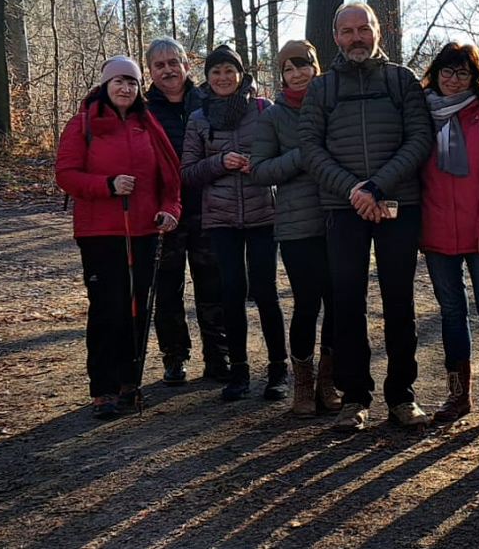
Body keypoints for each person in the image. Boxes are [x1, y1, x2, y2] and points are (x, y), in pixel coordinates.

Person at [300, 3, 433, 432]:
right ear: (335, 37)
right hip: (344, 208)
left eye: (363, 29)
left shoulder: (401, 80)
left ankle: (402, 396)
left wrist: (377, 186)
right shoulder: (321, 88)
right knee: (346, 302)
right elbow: (310, 149)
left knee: (400, 301)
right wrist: (354, 191)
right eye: (347, 31)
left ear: (378, 31)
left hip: (398, 204)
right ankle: (354, 397)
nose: (356, 37)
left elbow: (419, 139)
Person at [55, 55, 181, 419]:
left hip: (144, 231)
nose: (125, 88)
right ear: (105, 86)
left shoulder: (148, 123)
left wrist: (170, 211)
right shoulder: (82, 123)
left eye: (131, 83)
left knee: (137, 309)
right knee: (108, 310)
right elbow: (66, 174)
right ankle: (104, 389)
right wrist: (107, 185)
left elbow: (170, 180)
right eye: (118, 82)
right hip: (100, 233)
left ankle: (130, 381)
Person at [180, 44, 288, 402]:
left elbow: (283, 157)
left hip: (263, 214)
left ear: (241, 75)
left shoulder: (264, 109)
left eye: (230, 70)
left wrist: (258, 165)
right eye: (216, 72)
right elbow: (187, 172)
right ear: (207, 78)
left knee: (266, 291)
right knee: (231, 292)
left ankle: (278, 370)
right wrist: (219, 162)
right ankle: (239, 372)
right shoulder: (198, 118)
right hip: (220, 219)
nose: (223, 77)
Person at [419, 43, 479, 426]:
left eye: (462, 72)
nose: (454, 79)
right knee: (451, 313)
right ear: (436, 74)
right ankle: (458, 394)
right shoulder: (421, 116)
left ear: (475, 77)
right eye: (447, 71)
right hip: (436, 230)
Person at [251, 40, 341, 418]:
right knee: (307, 302)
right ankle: (302, 383)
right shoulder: (272, 117)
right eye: (288, 69)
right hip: (296, 224)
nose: (296, 74)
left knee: (338, 302)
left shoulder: (333, 106)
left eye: (302, 65)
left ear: (315, 67)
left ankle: (327, 381)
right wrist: (304, 154)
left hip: (337, 218)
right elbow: (260, 170)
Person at [144, 37, 230, 385]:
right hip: (163, 215)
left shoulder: (209, 101)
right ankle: (175, 357)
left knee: (213, 286)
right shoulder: (143, 110)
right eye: (159, 65)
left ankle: (218, 356)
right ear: (150, 71)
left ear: (186, 65)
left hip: (208, 209)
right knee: (167, 289)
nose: (168, 70)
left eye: (173, 63)